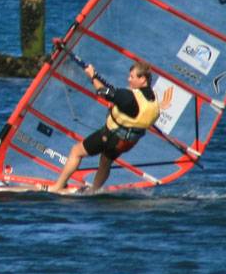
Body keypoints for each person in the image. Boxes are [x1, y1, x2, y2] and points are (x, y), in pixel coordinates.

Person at [49, 59, 160, 195]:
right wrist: (116, 102)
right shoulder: (154, 100)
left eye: (132, 77)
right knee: (106, 160)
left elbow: (102, 91)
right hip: (126, 143)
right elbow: (128, 107)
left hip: (111, 136)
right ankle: (93, 191)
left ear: (143, 79)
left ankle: (58, 187)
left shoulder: (129, 96)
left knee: (76, 151)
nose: (128, 79)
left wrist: (92, 76)